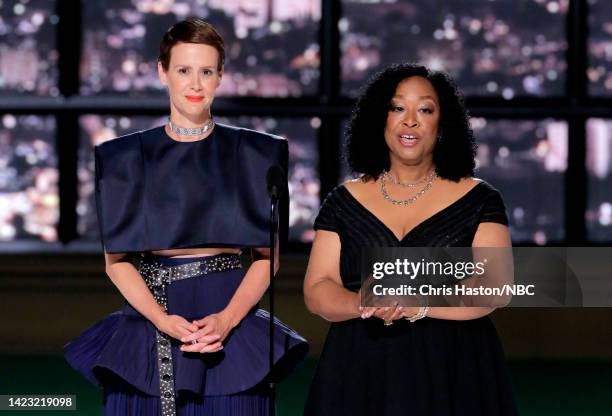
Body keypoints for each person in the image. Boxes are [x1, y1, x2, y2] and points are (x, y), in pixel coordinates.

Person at [64, 18, 307, 416]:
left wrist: (227, 320)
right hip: (149, 318)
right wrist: (162, 320)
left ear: (221, 76)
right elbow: (116, 262)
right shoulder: (124, 159)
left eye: (206, 71)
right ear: (162, 72)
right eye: (183, 70)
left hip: (231, 317)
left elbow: (268, 256)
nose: (195, 84)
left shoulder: (255, 154)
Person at [303, 63, 517, 415]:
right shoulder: (343, 201)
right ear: (380, 119)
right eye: (398, 107)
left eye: (425, 109)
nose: (410, 120)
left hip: (454, 367)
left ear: (442, 123)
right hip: (359, 365)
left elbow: (495, 286)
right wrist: (366, 303)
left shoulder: (481, 198)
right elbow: (318, 288)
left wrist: (417, 303)